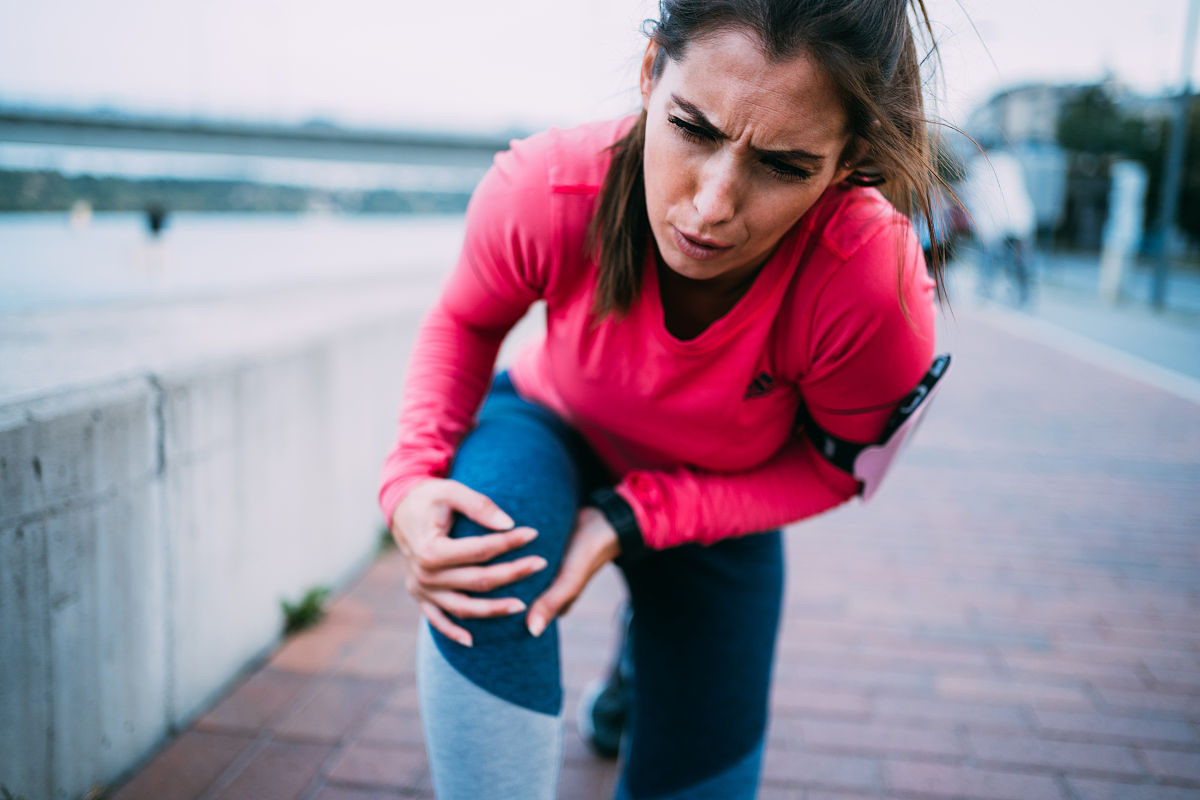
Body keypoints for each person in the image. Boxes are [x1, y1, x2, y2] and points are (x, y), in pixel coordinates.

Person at [379, 1, 948, 797]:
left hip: (719, 491)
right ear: (651, 74)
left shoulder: (872, 285)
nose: (713, 206)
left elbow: (834, 472)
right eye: (692, 127)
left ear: (849, 158)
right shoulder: (546, 187)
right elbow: (466, 320)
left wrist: (634, 518)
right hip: (552, 422)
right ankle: (635, 658)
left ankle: (635, 666)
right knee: (479, 559)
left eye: (784, 165)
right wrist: (409, 478)